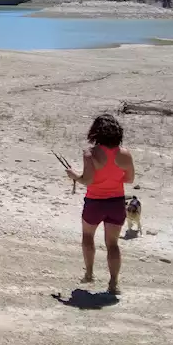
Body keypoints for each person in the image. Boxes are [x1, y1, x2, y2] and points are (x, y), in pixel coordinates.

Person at [64, 113, 136, 295]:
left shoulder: (90, 153)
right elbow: (129, 179)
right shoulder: (125, 154)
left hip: (95, 201)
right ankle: (113, 282)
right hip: (116, 202)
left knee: (88, 237)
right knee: (113, 244)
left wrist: (74, 176)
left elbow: (87, 180)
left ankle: (89, 273)